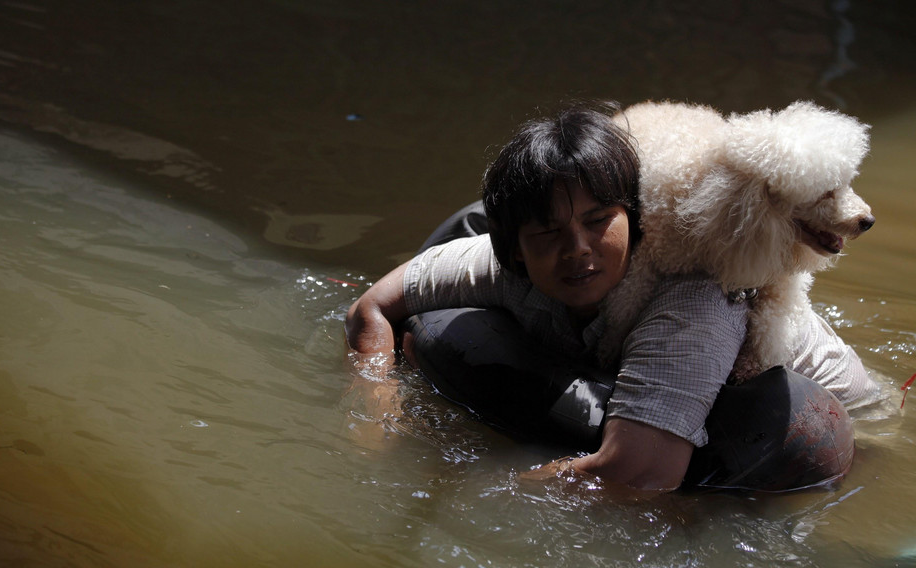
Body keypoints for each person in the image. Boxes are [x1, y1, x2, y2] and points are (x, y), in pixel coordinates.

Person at [345, 103, 878, 492]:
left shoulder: (695, 304)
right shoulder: (504, 264)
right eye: (548, 233)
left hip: (856, 432)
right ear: (515, 248)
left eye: (599, 221)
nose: (577, 250)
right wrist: (377, 406)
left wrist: (474, 488)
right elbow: (372, 307)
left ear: (637, 217)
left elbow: (636, 477)